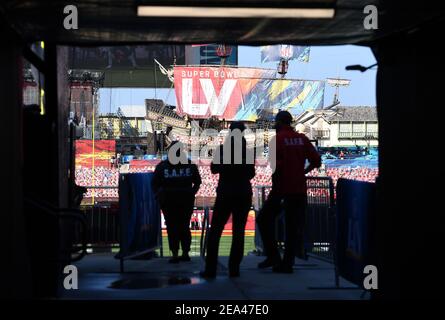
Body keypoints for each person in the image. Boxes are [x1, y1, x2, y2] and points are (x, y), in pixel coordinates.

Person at [256, 111, 321, 273]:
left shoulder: (277, 139)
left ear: (279, 122)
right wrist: (302, 173)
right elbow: (316, 161)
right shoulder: (302, 139)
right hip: (298, 190)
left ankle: (273, 256)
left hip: (282, 189)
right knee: (292, 228)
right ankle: (287, 264)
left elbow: (275, 166)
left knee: (264, 219)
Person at [201, 122, 255, 278]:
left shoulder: (223, 149)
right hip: (243, 193)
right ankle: (234, 269)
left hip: (225, 192)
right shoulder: (247, 151)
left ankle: (210, 269)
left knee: (216, 231)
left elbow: (213, 169)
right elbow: (251, 174)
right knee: (239, 232)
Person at [152, 141, 201, 263]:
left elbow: (154, 184)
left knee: (173, 228)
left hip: (170, 201)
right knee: (184, 227)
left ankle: (175, 254)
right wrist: (191, 192)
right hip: (184, 200)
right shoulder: (190, 165)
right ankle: (184, 253)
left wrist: (160, 195)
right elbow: (198, 182)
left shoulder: (162, 166)